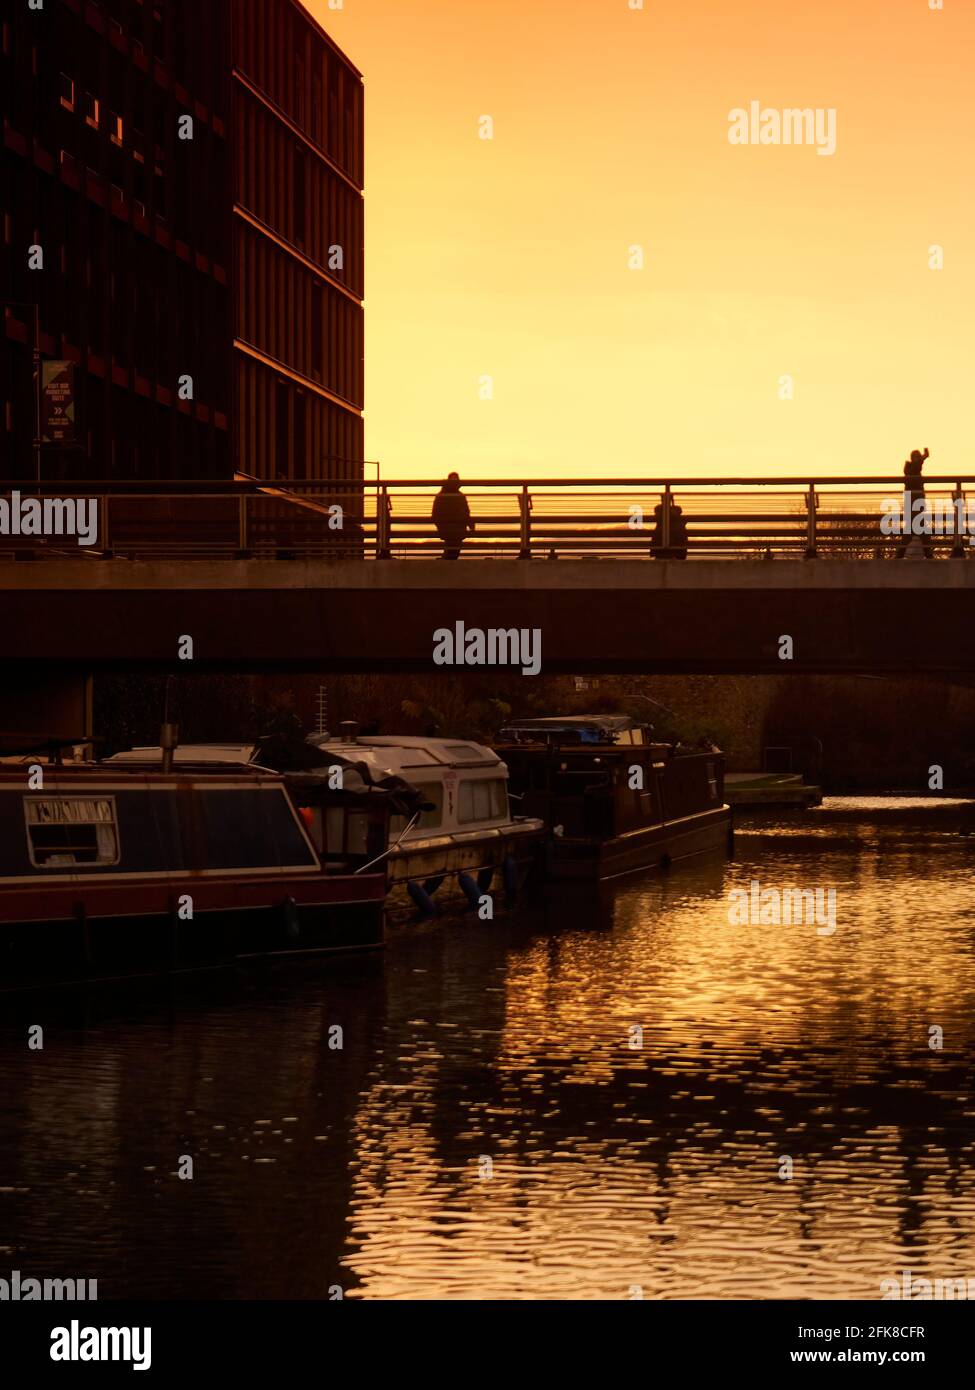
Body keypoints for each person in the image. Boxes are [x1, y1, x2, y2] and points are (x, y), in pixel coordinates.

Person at [896, 447, 931, 558]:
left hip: (916, 504)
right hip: (912, 504)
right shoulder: (910, 468)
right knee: (917, 531)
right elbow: (915, 468)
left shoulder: (914, 468)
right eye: (917, 457)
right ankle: (929, 555)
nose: (919, 460)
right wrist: (923, 458)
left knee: (915, 531)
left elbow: (916, 467)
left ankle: (899, 556)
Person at [432, 473, 475, 559]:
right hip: (453, 528)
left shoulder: (443, 494)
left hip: (451, 528)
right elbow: (466, 512)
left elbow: (466, 512)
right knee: (453, 550)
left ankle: (444, 561)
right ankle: (445, 562)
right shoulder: (457, 495)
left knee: (452, 550)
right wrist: (470, 524)